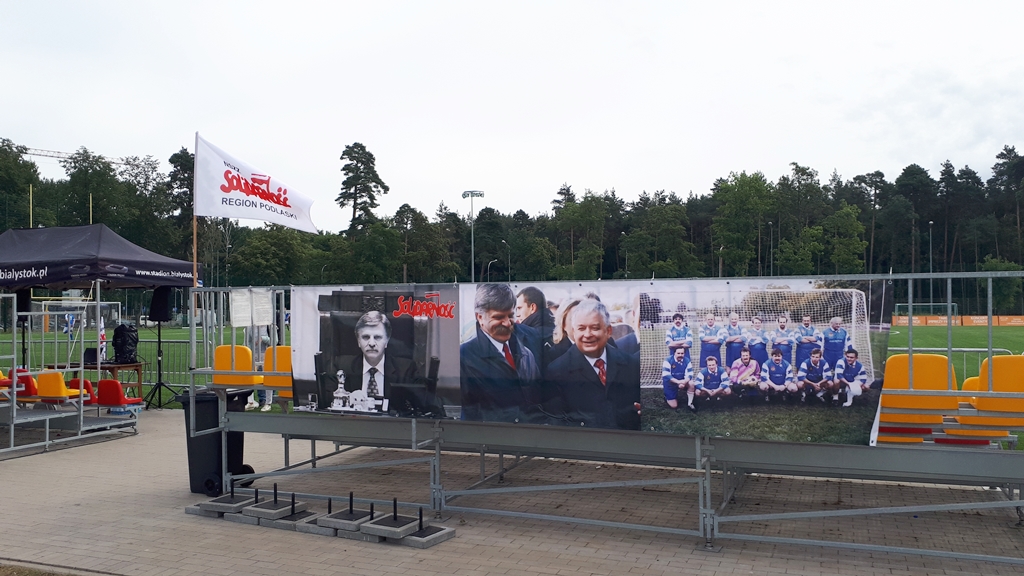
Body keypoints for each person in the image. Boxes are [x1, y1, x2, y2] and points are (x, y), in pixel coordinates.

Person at [545, 299, 641, 430]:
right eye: (581, 328)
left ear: (608, 331)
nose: (587, 334)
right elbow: (557, 424)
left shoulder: (631, 364)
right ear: (574, 331)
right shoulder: (557, 371)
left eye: (595, 328)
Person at [460, 284, 542, 423]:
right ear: (479, 317)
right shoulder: (464, 357)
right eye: (498, 317)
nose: (507, 323)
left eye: (510, 316)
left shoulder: (526, 355)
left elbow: (539, 400)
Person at [342, 311, 436, 416]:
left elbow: (426, 405)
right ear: (358, 341)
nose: (372, 343)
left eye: (377, 337)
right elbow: (326, 403)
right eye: (366, 337)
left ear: (387, 341)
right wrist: (347, 398)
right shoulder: (343, 367)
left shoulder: (406, 369)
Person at [244, 324, 272, 411]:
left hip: (266, 354)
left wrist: (263, 339)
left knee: (268, 378)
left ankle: (268, 403)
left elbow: (274, 341)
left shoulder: (269, 326)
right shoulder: (250, 326)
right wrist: (248, 353)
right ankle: (250, 402)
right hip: (254, 354)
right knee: (250, 377)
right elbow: (247, 341)